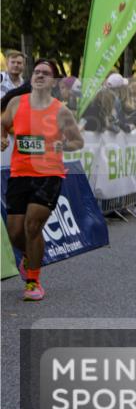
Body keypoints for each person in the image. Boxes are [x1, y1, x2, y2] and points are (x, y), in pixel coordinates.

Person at [1, 59, 85, 301]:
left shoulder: (61, 110)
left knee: (32, 226)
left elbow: (77, 141)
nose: (39, 75)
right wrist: (3, 138)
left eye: (45, 73)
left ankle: (33, 281)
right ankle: (30, 257)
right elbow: (2, 124)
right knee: (15, 232)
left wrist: (63, 144)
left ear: (53, 81)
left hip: (48, 175)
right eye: (36, 72)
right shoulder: (17, 103)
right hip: (19, 173)